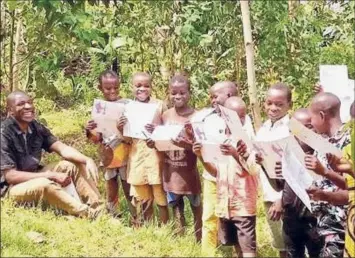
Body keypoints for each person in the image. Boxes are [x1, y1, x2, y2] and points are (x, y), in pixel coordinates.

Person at [0, 91, 102, 219]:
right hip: (11, 189)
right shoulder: (3, 133)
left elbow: (62, 148)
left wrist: (87, 159)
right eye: (21, 104)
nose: (28, 107)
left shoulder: (35, 127)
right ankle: (87, 214)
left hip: (34, 174)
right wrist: (51, 175)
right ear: (10, 110)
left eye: (29, 102)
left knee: (69, 165)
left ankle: (99, 208)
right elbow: (11, 176)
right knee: (44, 184)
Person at [194, 96, 259, 258]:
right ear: (224, 117)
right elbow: (216, 173)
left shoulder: (249, 140)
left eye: (243, 116)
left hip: (243, 205)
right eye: (234, 117)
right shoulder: (220, 141)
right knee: (236, 244)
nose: (239, 121)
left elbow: (253, 169)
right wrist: (200, 155)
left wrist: (236, 153)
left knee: (248, 249)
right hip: (225, 206)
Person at [148, 75, 202, 241]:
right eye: (173, 93)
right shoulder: (165, 116)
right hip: (171, 173)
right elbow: (159, 140)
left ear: (189, 93)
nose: (178, 96)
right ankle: (180, 239)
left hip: (189, 174)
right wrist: (153, 142)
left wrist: (187, 144)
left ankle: (199, 238)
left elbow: (201, 147)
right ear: (168, 94)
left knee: (196, 207)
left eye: (182, 92)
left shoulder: (197, 117)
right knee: (176, 207)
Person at [117, 72, 169, 226]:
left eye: (146, 85)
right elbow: (126, 139)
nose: (142, 89)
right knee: (141, 196)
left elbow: (167, 131)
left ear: (151, 87)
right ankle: (148, 226)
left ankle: (165, 227)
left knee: (160, 196)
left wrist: (156, 130)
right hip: (137, 157)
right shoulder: (127, 107)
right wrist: (120, 128)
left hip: (155, 158)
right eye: (138, 86)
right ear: (131, 87)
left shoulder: (159, 105)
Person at [303, 92, 351, 257]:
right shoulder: (322, 142)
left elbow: (350, 185)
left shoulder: (348, 142)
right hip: (323, 222)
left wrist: (325, 172)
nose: (310, 123)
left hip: (341, 224)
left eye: (311, 119)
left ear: (322, 116)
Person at [85, 70, 136, 220]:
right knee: (111, 185)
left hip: (126, 153)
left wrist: (124, 128)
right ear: (100, 87)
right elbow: (96, 138)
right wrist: (90, 130)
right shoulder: (99, 107)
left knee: (129, 186)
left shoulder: (128, 105)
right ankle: (114, 216)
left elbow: (133, 133)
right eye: (108, 88)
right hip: (107, 154)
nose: (112, 91)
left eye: (116, 88)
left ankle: (136, 217)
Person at [198, 81, 239, 256]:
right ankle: (208, 253)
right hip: (211, 177)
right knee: (209, 217)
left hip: (236, 180)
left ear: (229, 96)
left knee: (238, 218)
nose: (212, 100)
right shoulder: (206, 118)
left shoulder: (243, 119)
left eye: (215, 96)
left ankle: (241, 251)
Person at [255, 82, 292, 258]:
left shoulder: (289, 129)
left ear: (289, 105)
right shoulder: (264, 128)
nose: (273, 108)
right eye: (269, 103)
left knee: (291, 242)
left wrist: (281, 199)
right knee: (279, 243)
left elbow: (292, 170)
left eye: (279, 104)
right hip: (269, 193)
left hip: (284, 197)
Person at [281, 108, 322, 258]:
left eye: (308, 126)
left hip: (314, 218)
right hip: (291, 217)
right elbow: (279, 185)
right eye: (297, 127)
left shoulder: (322, 155)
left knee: (317, 252)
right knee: (293, 253)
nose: (302, 131)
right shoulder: (287, 154)